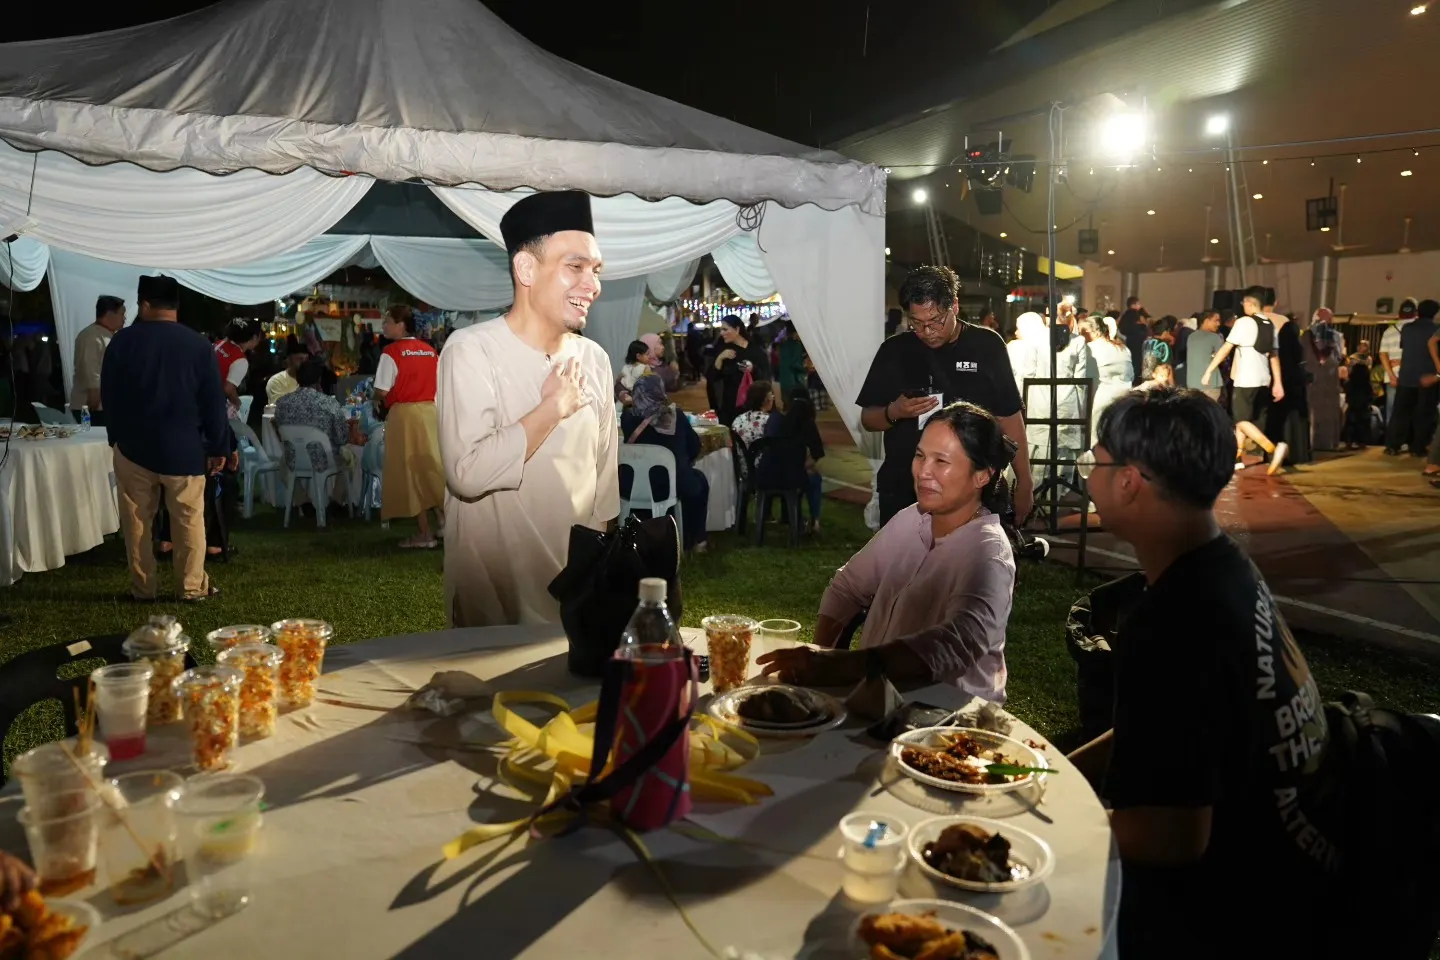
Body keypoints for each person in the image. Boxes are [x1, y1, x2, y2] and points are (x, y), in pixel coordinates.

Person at [1068, 387, 1336, 960]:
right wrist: (1053, 778)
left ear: (1130, 481)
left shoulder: (1172, 622)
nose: (1088, 476)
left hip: (1241, 909)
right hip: (1291, 874)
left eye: (1095, 461)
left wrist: (1057, 826)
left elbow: (1174, 836)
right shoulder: (1224, 567)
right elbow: (1172, 726)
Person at [436, 190, 618, 627]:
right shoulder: (471, 350)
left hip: (573, 599)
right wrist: (551, 408)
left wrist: (593, 581)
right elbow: (468, 471)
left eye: (595, 270)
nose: (591, 285)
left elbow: (604, 488)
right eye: (574, 267)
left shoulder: (595, 360)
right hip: (494, 600)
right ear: (526, 268)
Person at [757, 402, 1016, 695]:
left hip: (946, 722)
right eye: (920, 456)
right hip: (875, 701)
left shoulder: (988, 554)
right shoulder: (911, 519)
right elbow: (847, 587)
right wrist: (821, 654)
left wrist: (841, 665)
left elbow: (954, 644)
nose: (923, 472)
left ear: (982, 476)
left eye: (941, 462)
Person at [858, 265, 1033, 525]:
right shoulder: (894, 351)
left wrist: (1025, 484)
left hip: (972, 492)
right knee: (905, 564)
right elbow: (868, 419)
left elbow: (1009, 417)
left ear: (955, 306)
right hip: (906, 488)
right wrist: (894, 412)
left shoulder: (987, 346)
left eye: (935, 321)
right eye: (916, 323)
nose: (927, 332)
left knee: (966, 564)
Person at [102, 276, 228, 602]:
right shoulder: (199, 345)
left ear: (145, 305)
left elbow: (110, 395)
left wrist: (115, 436)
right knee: (189, 521)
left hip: (133, 447)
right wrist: (217, 446)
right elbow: (213, 401)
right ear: (176, 306)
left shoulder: (122, 341)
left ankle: (143, 588)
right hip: (183, 449)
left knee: (137, 524)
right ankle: (191, 587)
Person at [374, 304, 446, 549]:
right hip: (430, 413)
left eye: (387, 321)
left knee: (411, 473)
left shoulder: (391, 352)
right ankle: (445, 523)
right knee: (432, 467)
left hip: (405, 416)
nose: (383, 326)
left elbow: (382, 389)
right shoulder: (430, 351)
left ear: (401, 325)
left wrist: (375, 399)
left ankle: (424, 533)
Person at [1201, 286, 1288, 474]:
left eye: (1243, 303)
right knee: (1246, 419)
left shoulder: (1244, 323)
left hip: (1246, 378)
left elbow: (1226, 348)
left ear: (1249, 303)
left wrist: (1209, 370)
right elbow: (1274, 356)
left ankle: (1272, 448)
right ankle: (1237, 457)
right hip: (1264, 380)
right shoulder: (1269, 323)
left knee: (1240, 420)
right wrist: (1278, 383)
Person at [620, 376, 710, 554]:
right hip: (672, 484)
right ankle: (695, 540)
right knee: (699, 481)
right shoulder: (675, 415)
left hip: (632, 486)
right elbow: (693, 446)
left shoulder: (627, 418)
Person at [1007, 311, 1086, 483]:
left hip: (1039, 402)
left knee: (1037, 449)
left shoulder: (1033, 342)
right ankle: (1059, 493)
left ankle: (1036, 495)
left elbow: (1028, 374)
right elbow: (1081, 380)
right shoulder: (1079, 341)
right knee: (1063, 451)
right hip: (1068, 403)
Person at [1386, 298, 1439, 459]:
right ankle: (1418, 447)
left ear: (1418, 312)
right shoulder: (1436, 330)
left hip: (1407, 375)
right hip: (1427, 377)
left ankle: (1393, 446)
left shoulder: (1407, 328)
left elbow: (1404, 347)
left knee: (1400, 413)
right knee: (1424, 415)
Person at [274, 358, 350, 457]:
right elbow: (342, 438)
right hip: (325, 463)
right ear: (319, 379)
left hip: (293, 462)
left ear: (297, 378)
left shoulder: (281, 403)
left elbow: (280, 433)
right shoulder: (329, 403)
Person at [70, 295, 125, 426]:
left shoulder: (108, 335)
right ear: (109, 314)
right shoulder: (91, 336)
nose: (124, 318)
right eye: (121, 314)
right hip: (92, 407)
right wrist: (94, 396)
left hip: (105, 406)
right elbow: (90, 369)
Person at [707, 314, 772, 425]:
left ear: (737, 329)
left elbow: (766, 377)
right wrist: (720, 358)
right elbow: (712, 378)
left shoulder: (756, 350)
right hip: (729, 406)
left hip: (751, 407)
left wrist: (752, 369)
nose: (721, 333)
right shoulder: (723, 349)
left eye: (725, 329)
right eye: (720, 330)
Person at [1079, 314, 1135, 442]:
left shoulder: (1090, 349)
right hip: (1125, 397)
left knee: (1097, 438)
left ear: (1093, 332)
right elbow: (1130, 374)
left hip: (1100, 398)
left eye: (1083, 332)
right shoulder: (1123, 348)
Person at [1307, 309, 1344, 452]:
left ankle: (1315, 442)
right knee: (1325, 411)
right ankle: (1328, 442)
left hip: (1318, 378)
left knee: (1316, 411)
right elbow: (1339, 355)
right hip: (1327, 378)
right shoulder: (1336, 336)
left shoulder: (1307, 335)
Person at [1379, 298, 1417, 424]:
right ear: (1416, 313)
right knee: (1411, 410)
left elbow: (1383, 354)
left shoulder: (1389, 331)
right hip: (1413, 375)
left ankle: (1391, 439)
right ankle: (1407, 440)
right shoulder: (1419, 330)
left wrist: (1391, 375)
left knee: (1392, 410)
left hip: (1392, 376)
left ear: (1400, 313)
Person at [213, 318, 262, 417]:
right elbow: (228, 389)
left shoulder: (220, 344)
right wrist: (237, 402)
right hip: (213, 402)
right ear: (254, 337)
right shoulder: (240, 360)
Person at [1185, 310, 1225, 401]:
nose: (1218, 324)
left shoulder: (1191, 336)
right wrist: (1212, 356)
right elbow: (1221, 357)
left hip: (1192, 383)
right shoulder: (1215, 337)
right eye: (1216, 320)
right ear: (1207, 320)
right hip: (1210, 383)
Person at [1343, 348, 1376, 450]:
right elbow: (1370, 397)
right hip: (1363, 409)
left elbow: (1347, 395)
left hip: (1352, 407)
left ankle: (1349, 441)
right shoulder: (1367, 385)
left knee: (1350, 425)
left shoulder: (1350, 383)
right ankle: (1362, 442)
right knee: (1363, 425)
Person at [1117, 296, 1149, 385]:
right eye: (1138, 304)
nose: (1140, 305)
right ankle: (1136, 381)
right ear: (1133, 304)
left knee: (1132, 361)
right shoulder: (1136, 314)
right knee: (1138, 362)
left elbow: (1122, 328)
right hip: (1138, 341)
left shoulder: (1125, 315)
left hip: (1130, 341)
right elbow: (1144, 326)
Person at [731, 380, 773, 447]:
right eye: (771, 395)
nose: (773, 398)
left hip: (741, 457)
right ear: (764, 400)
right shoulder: (770, 421)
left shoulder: (737, 419)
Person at [775, 321, 808, 401]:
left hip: (784, 380)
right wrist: (805, 369)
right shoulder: (797, 345)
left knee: (787, 405)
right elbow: (795, 364)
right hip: (795, 381)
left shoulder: (782, 345)